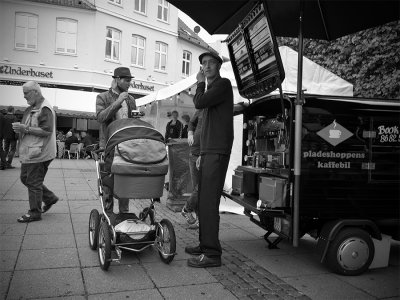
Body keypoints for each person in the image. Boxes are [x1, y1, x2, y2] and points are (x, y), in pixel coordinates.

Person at [186, 52, 233, 268]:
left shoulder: (222, 85)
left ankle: (212, 254)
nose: (206, 67)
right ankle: (205, 245)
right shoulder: (214, 89)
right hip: (209, 151)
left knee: (208, 202)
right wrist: (201, 154)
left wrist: (199, 83)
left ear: (218, 66)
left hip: (217, 150)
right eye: (203, 64)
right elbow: (205, 123)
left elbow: (199, 101)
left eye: (210, 63)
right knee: (204, 201)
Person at [13, 81, 59, 222]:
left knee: (32, 181)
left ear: (35, 92)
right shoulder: (34, 107)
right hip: (33, 151)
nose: (24, 96)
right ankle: (49, 198)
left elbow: (46, 130)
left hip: (39, 153)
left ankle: (35, 212)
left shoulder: (44, 108)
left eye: (26, 93)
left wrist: (24, 128)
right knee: (26, 179)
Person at [96, 66, 136, 214]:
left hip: (127, 145)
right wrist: (118, 101)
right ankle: (108, 216)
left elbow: (131, 121)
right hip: (109, 146)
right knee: (108, 183)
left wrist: (137, 117)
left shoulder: (131, 99)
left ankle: (124, 214)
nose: (129, 83)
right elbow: (101, 117)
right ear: (117, 79)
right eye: (126, 80)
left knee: (125, 181)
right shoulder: (103, 97)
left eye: (130, 80)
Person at [181, 109, 203, 229]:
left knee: (201, 188)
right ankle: (199, 220)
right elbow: (191, 123)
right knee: (197, 189)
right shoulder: (201, 110)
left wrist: (203, 154)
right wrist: (190, 133)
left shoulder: (214, 111)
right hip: (194, 154)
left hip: (204, 155)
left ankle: (186, 209)